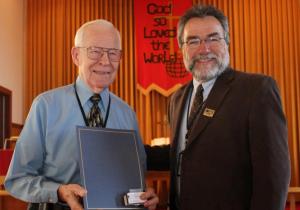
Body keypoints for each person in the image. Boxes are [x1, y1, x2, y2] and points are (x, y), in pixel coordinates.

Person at [5, 19, 158, 210]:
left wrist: (144, 195)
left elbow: (136, 176)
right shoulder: (45, 106)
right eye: (95, 51)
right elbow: (18, 179)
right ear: (76, 55)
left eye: (113, 53)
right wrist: (59, 191)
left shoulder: (127, 114)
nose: (105, 61)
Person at [168, 4, 290, 210]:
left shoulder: (256, 90)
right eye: (193, 41)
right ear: (182, 48)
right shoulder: (177, 98)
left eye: (213, 38)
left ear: (227, 42)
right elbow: (185, 151)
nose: (204, 49)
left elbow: (273, 174)